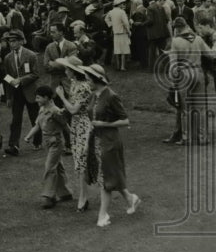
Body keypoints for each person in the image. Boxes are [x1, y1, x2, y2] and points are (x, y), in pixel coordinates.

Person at [86, 65, 141, 228]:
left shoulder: (111, 96)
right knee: (110, 174)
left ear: (97, 79)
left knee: (105, 179)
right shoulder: (93, 96)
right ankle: (131, 199)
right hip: (96, 140)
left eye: (89, 78)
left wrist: (104, 123)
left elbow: (125, 121)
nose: (87, 81)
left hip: (110, 141)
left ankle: (103, 215)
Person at [52, 57, 96, 211]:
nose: (65, 71)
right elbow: (70, 109)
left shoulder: (83, 86)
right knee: (78, 163)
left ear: (74, 71)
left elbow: (74, 109)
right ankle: (83, 197)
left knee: (82, 163)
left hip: (83, 124)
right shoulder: (74, 84)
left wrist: (61, 96)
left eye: (68, 69)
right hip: (76, 125)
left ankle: (84, 199)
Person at [24, 86, 72, 209]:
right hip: (48, 144)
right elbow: (37, 125)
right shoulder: (42, 109)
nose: (36, 100)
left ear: (46, 97)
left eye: (38, 97)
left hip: (56, 144)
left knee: (50, 167)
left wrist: (74, 138)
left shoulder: (55, 111)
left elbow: (65, 126)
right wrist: (28, 136)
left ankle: (49, 196)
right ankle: (65, 193)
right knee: (58, 167)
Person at [165, 17, 208, 145]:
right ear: (187, 25)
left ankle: (187, 138)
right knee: (200, 108)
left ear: (177, 28)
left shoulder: (176, 41)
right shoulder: (198, 39)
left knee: (185, 109)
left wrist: (173, 81)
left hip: (184, 74)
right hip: (198, 72)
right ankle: (202, 137)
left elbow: (173, 64)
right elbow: (211, 54)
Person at [1, 29, 40, 156]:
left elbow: (35, 74)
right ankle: (14, 146)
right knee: (16, 119)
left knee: (34, 118)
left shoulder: (31, 55)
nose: (11, 44)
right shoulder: (7, 58)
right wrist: (8, 96)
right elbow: (6, 77)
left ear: (20, 42)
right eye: (9, 42)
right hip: (16, 92)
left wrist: (21, 80)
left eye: (14, 41)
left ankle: (37, 141)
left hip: (30, 91)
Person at [104, 0, 131, 71]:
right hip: (122, 32)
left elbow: (106, 19)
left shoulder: (111, 12)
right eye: (122, 3)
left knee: (117, 50)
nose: (123, 5)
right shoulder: (122, 12)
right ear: (119, 4)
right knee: (123, 50)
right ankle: (122, 66)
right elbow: (126, 23)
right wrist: (129, 31)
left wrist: (112, 24)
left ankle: (118, 66)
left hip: (115, 32)